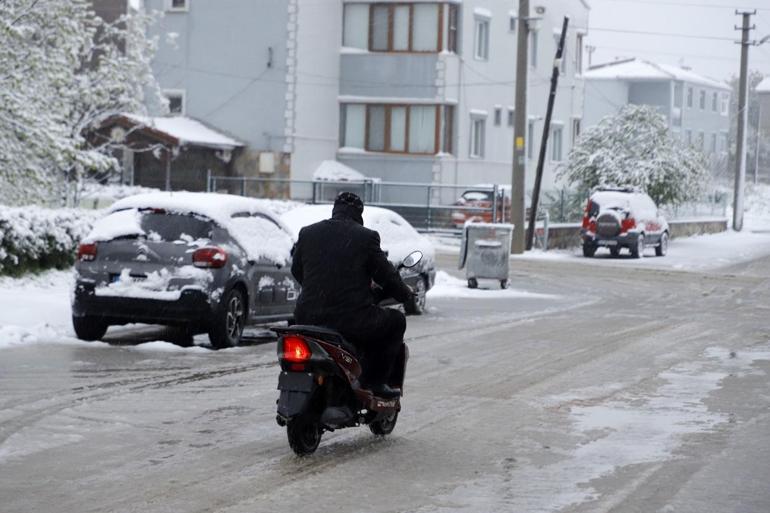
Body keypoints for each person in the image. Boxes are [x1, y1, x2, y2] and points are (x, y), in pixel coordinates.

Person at [290, 192, 413, 399]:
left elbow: (296, 270)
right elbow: (387, 277)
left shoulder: (308, 233)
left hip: (307, 317)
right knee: (395, 321)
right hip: (350, 320)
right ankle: (376, 382)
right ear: (359, 214)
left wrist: (320, 290)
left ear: (334, 209)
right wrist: (404, 294)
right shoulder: (366, 237)